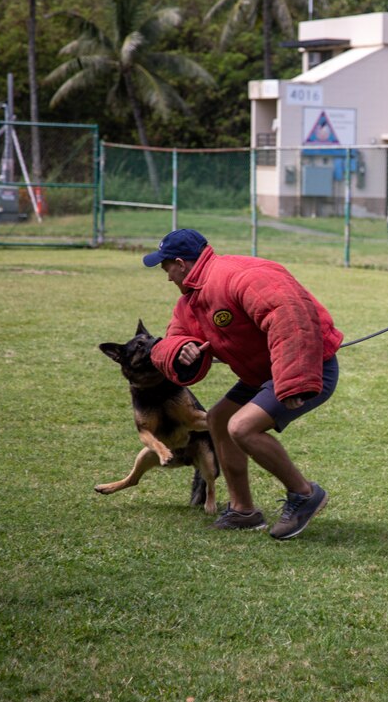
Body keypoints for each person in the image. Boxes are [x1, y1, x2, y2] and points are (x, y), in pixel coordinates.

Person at [144, 228, 342, 540]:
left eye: (166, 268)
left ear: (181, 264)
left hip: (307, 367)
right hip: (262, 374)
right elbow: (173, 337)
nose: (167, 277)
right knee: (219, 419)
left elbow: (289, 315)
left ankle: (304, 494)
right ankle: (243, 511)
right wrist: (182, 349)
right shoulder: (191, 301)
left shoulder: (239, 276)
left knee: (242, 427)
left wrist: (295, 381)